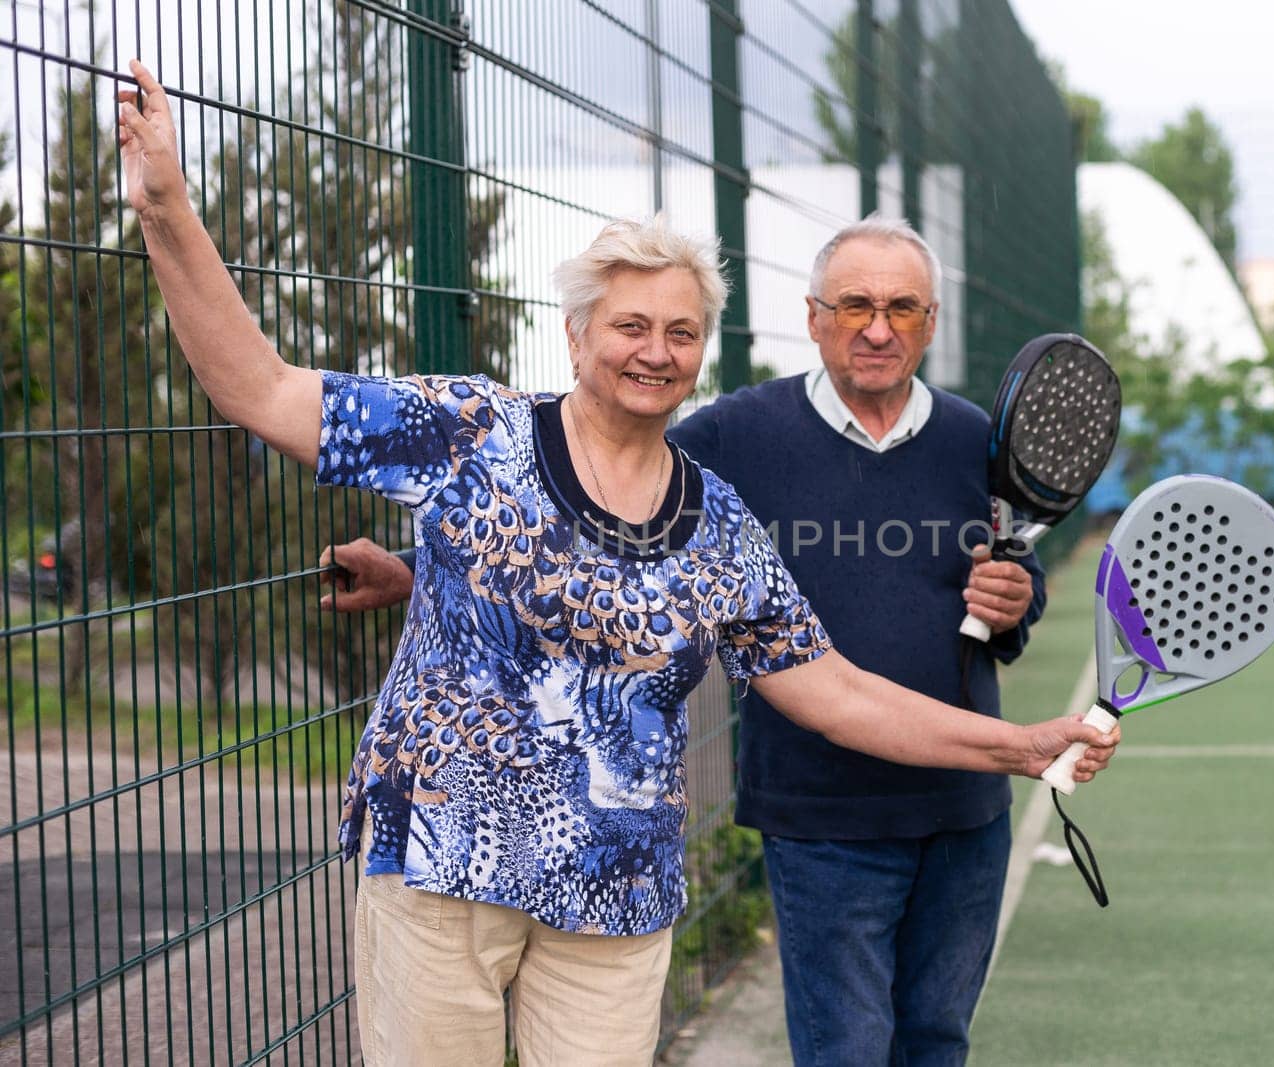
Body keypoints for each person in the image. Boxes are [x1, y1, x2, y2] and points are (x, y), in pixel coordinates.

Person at [116, 61, 1117, 1067]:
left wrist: (1022, 745)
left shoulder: (719, 524)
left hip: (613, 895)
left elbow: (842, 693)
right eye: (631, 326)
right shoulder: (473, 431)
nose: (656, 351)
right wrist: (166, 209)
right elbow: (260, 389)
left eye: (680, 331)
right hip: (439, 865)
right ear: (578, 333)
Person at [324, 214, 1107, 1064]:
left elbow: (1001, 612)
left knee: (937, 1042)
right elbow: (586, 515)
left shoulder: (974, 442)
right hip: (820, 810)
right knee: (847, 1049)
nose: (878, 327)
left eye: (903, 308)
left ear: (931, 322)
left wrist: (1011, 605)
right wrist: (412, 566)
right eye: (854, 305)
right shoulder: (734, 435)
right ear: (813, 317)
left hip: (960, 808)